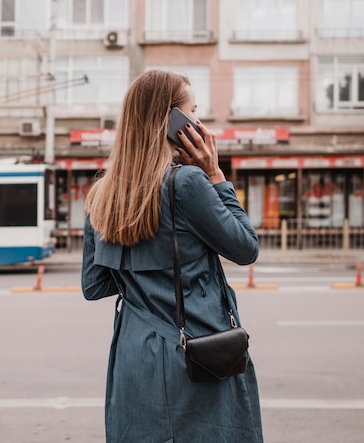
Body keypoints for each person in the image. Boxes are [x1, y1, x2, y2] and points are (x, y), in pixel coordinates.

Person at [81, 70, 263, 442]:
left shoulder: (102, 193)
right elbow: (245, 248)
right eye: (192, 111)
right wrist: (214, 173)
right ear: (172, 123)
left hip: (133, 353)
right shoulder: (188, 183)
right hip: (196, 350)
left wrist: (140, 266)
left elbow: (94, 285)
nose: (198, 122)